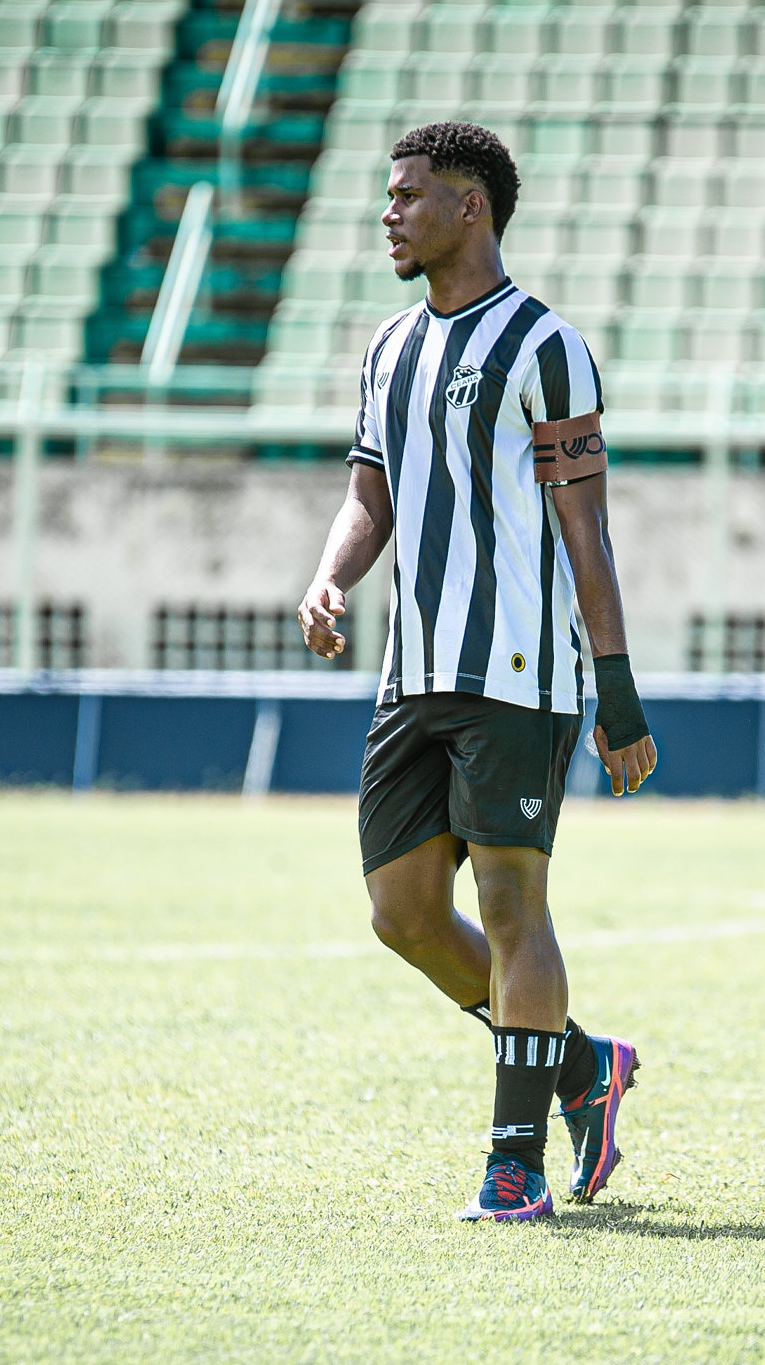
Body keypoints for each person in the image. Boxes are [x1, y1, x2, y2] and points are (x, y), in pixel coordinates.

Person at [297, 122, 660, 1223]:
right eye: (387, 196)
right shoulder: (385, 350)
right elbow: (372, 495)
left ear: (471, 208)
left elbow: (585, 531)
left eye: (408, 196)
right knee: (400, 915)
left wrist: (618, 691)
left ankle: (516, 1170)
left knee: (510, 904)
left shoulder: (546, 346)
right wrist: (329, 579)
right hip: (411, 674)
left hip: (519, 672)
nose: (387, 213)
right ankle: (579, 1068)